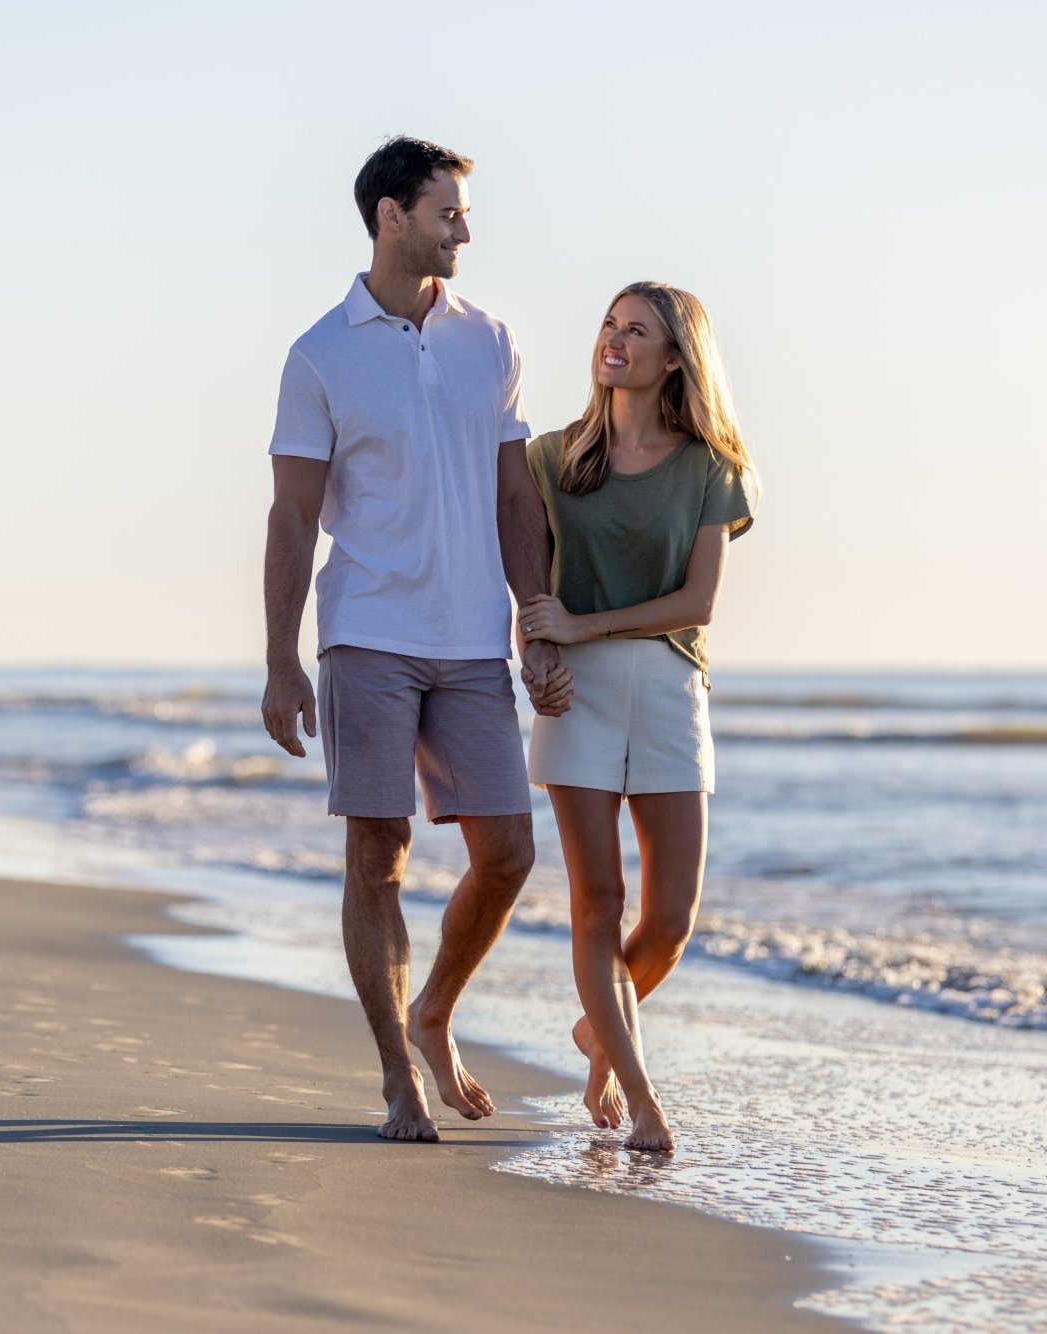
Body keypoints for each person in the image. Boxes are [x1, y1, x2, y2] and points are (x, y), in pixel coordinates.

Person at [260, 137, 573, 1143]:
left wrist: (533, 616)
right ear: (390, 215)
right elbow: (290, 517)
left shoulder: (491, 339)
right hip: (366, 633)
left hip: (473, 637)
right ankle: (396, 1072)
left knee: (509, 848)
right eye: (447, 212)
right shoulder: (320, 354)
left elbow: (513, 490)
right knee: (376, 850)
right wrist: (279, 660)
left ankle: (431, 1007)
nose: (464, 230)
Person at [519, 282, 757, 1153]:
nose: (615, 341)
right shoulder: (552, 458)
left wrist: (584, 623)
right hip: (576, 694)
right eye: (609, 325)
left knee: (669, 920)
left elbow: (697, 603)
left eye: (637, 331)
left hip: (666, 686)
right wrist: (538, 642)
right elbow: (524, 571)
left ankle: (599, 1031)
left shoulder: (711, 468)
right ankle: (640, 1093)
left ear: (674, 360)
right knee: (597, 903)